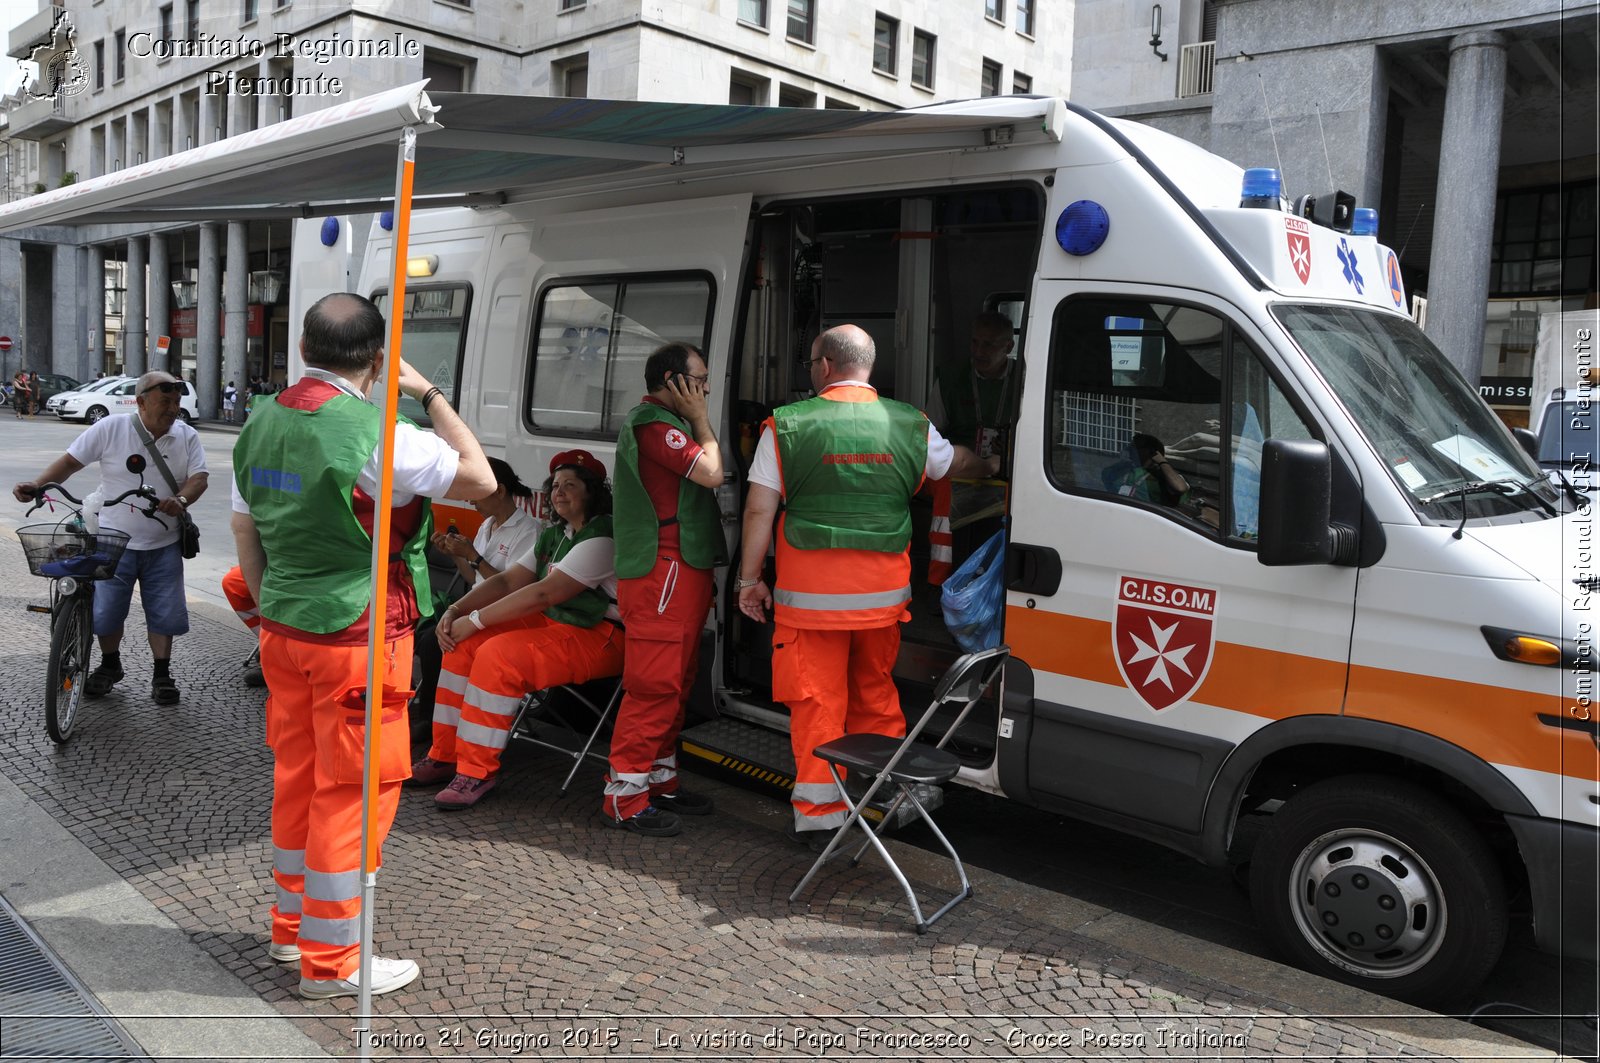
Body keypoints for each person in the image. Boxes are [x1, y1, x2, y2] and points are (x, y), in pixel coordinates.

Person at [231, 292, 493, 1000]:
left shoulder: (259, 419)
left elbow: (247, 531)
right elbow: (481, 478)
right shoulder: (377, 432)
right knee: (352, 792)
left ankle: (292, 928)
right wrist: (429, 392)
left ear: (304, 349)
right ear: (379, 359)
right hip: (358, 634)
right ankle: (333, 960)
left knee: (297, 776)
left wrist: (267, 614)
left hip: (286, 628)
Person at [735, 325, 998, 850]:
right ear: (867, 367)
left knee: (817, 703)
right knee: (876, 693)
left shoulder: (785, 426)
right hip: (881, 602)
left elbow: (760, 509)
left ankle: (822, 817)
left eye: (811, 363)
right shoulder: (910, 424)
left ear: (825, 366)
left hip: (808, 606)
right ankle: (895, 796)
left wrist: (749, 580)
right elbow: (953, 465)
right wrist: (989, 462)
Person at [410, 451, 623, 809]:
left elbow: (542, 593)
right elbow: (509, 581)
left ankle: (476, 773)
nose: (559, 492)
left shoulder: (602, 536)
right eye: (555, 485)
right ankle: (445, 754)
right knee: (460, 646)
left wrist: (474, 619)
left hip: (602, 635)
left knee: (497, 656)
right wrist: (459, 610)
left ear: (593, 492)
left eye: (571, 484)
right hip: (560, 621)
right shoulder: (557, 533)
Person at [13, 371, 208, 705]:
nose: (173, 409)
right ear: (141, 400)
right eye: (165, 401)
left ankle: (162, 673)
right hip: (113, 541)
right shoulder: (111, 428)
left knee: (164, 612)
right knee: (106, 612)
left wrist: (181, 501)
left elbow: (199, 478)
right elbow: (70, 463)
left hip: (164, 543)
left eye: (177, 402)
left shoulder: (186, 436)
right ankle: (110, 664)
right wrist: (38, 486)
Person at [602, 343, 726, 838]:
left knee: (677, 680)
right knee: (655, 685)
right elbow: (712, 472)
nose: (706, 389)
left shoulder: (662, 425)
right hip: (663, 573)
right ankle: (624, 799)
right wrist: (701, 421)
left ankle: (658, 780)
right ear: (674, 382)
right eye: (699, 380)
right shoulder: (654, 426)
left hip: (679, 571)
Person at [412, 456, 545, 719]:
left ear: (500, 491)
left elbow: (512, 588)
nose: (471, 502)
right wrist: (456, 555)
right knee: (425, 635)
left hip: (501, 614)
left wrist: (472, 554)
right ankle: (436, 713)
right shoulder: (487, 526)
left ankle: (433, 719)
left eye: (475, 494)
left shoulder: (529, 531)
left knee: (433, 644)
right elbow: (475, 580)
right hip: (474, 606)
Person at [1116, 433, 1190, 506]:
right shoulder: (1127, 470)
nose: (1129, 450)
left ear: (1151, 451)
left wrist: (1162, 462)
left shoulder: (1163, 475)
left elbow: (1180, 488)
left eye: (1134, 447)